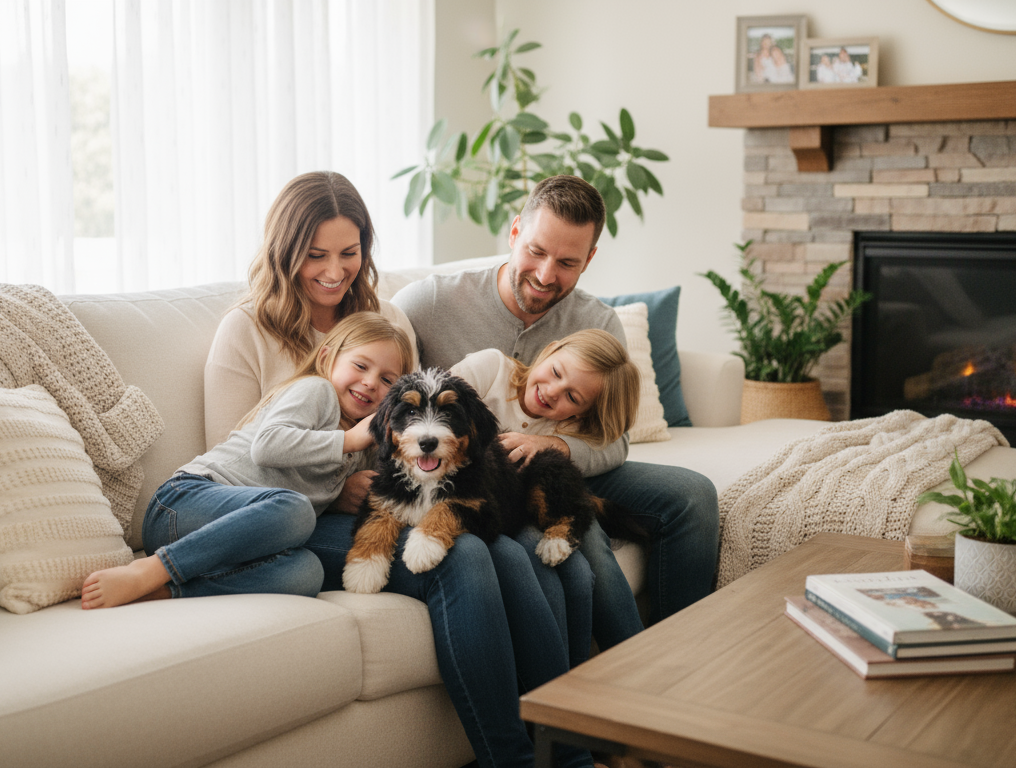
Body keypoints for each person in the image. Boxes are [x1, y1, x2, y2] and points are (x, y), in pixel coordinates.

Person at [203, 171, 598, 768]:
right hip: (304, 515)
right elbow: (240, 462)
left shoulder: (387, 316)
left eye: (349, 252)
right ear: (284, 252)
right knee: (463, 556)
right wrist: (339, 491)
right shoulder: (245, 331)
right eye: (315, 255)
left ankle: (571, 751)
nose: (334, 271)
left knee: (515, 555)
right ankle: (513, 760)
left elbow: (413, 415)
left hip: (395, 493)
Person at [392, 174, 721, 629]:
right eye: (536, 251)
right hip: (475, 481)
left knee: (692, 494)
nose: (547, 276)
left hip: (558, 465)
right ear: (514, 233)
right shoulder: (428, 303)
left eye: (567, 262)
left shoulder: (598, 322)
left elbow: (615, 441)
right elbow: (377, 386)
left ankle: (680, 648)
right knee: (589, 551)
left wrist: (560, 449)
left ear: (589, 259)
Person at [79, 311, 413, 609]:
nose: (370, 383)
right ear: (328, 357)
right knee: (296, 511)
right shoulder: (317, 392)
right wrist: (350, 439)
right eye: (360, 365)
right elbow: (267, 446)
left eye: (388, 380)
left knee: (307, 572)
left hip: (222, 542)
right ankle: (150, 569)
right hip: (182, 504)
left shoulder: (361, 448)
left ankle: (167, 590)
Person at [449, 328, 646, 666]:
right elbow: (433, 410)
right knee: (538, 567)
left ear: (581, 414)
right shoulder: (490, 368)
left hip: (521, 511)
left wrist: (554, 446)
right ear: (550, 350)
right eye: (555, 372)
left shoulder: (562, 432)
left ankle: (583, 674)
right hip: (472, 506)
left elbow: (612, 446)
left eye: (572, 397)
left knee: (581, 577)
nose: (552, 392)